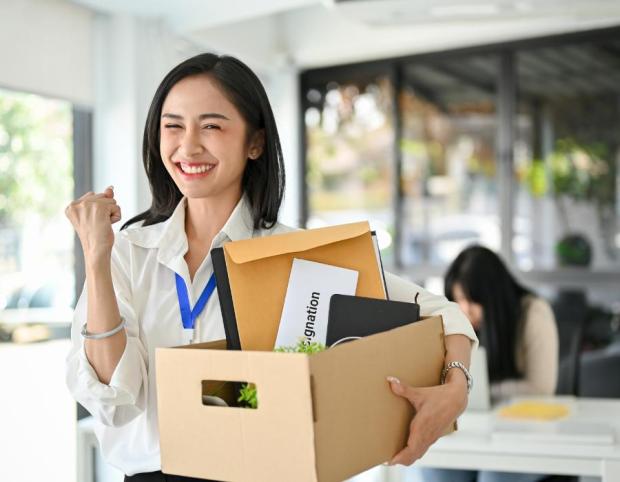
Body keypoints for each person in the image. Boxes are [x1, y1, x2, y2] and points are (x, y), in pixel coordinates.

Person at [65, 53, 478, 482]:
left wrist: (455, 389)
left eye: (211, 125)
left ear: (255, 142)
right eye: (173, 126)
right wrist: (96, 258)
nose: (188, 146)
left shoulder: (294, 252)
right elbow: (117, 401)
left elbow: (445, 314)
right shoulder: (126, 253)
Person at [416, 245, 559, 482]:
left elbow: (541, 388)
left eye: (471, 301)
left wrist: (474, 391)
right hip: (476, 430)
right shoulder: (459, 325)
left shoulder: (534, 312)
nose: (464, 310)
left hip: (526, 433)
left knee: (495, 476)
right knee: (437, 471)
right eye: (458, 300)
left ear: (492, 297)